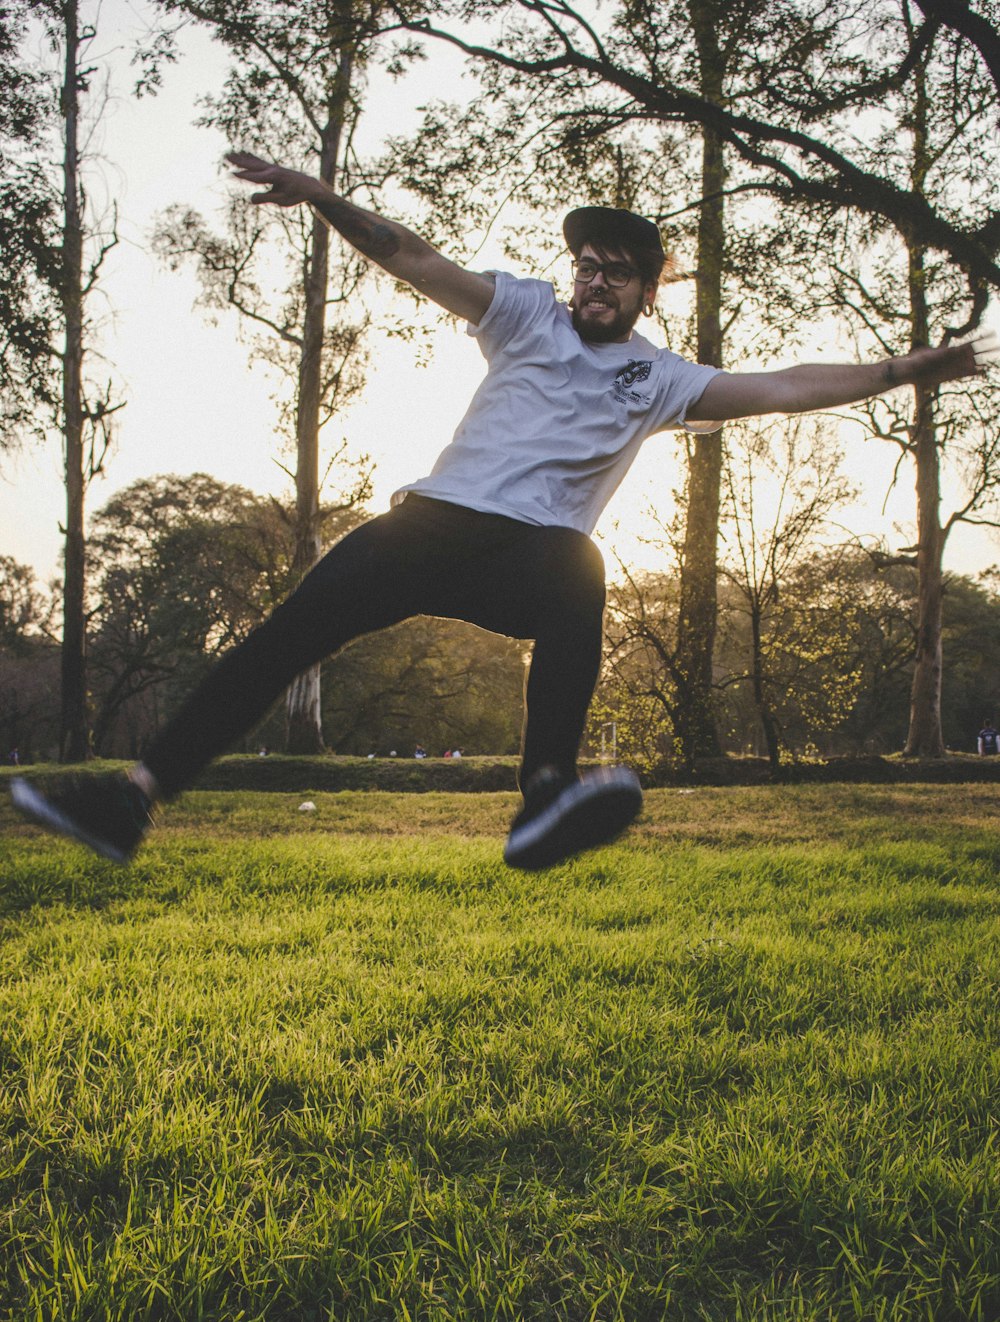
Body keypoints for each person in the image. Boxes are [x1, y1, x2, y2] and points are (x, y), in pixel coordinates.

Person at [11, 150, 998, 870]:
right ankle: (131, 801)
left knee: (582, 567)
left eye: (615, 270)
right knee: (279, 639)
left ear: (646, 289)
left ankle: (541, 798)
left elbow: (785, 384)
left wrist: (904, 368)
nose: (594, 282)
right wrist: (325, 201)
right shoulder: (523, 313)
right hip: (428, 524)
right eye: (586, 265)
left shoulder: (661, 378)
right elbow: (416, 259)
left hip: (526, 555)